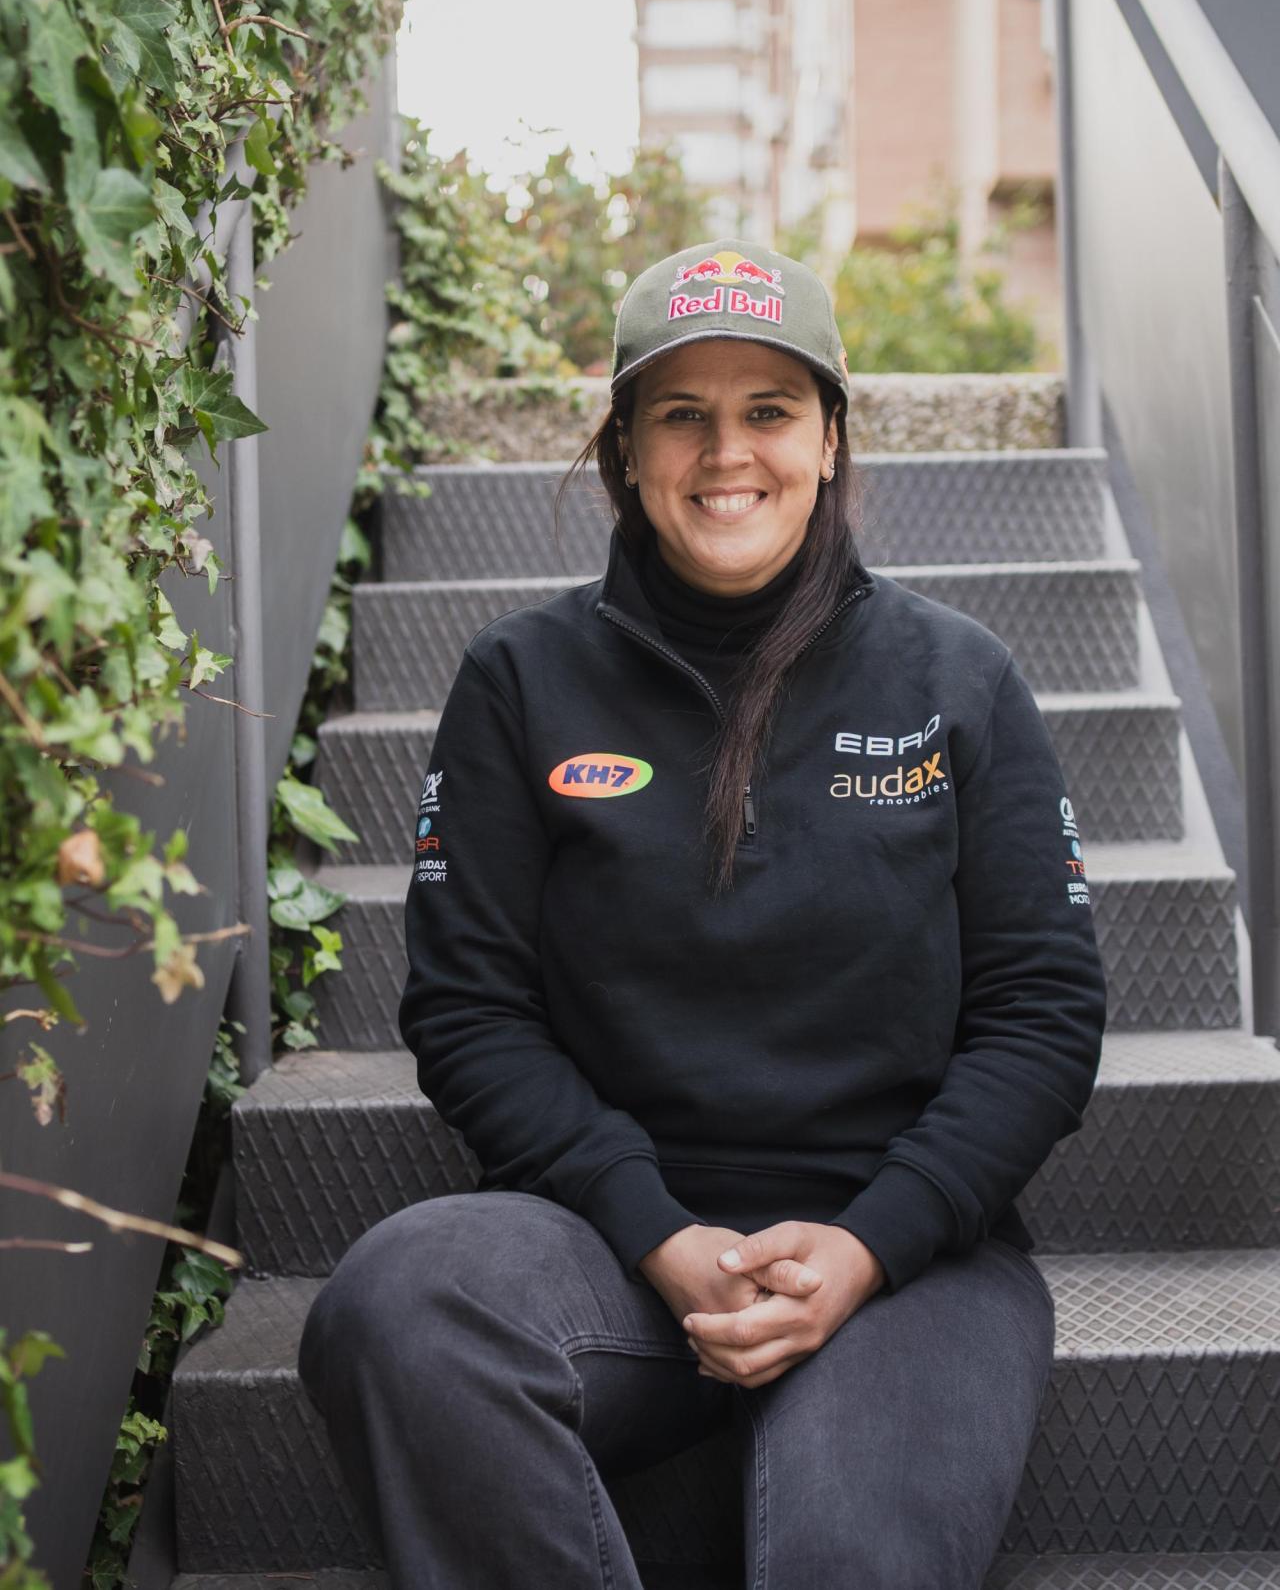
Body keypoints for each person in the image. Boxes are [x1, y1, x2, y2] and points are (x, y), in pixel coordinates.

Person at [298, 239, 1108, 1589]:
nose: (726, 452)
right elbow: (468, 1010)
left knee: (847, 1555)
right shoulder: (518, 682)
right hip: (609, 1252)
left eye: (769, 410)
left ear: (833, 437)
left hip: (908, 1258)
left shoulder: (961, 680)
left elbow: (1044, 1013)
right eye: (680, 413)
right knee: (397, 1303)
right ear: (624, 450)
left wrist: (870, 1241)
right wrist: (657, 1231)